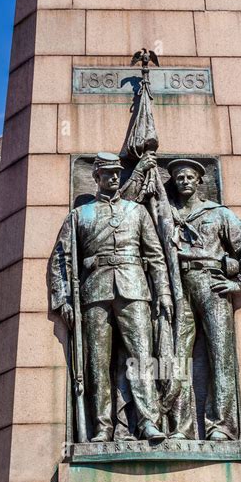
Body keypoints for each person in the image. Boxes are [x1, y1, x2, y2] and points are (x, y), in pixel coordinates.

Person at [50, 152, 173, 442]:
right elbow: (61, 259)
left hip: (134, 288)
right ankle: (103, 427)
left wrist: (164, 293)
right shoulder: (80, 215)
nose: (115, 177)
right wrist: (63, 298)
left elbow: (155, 257)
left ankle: (147, 423)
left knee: (142, 357)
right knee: (97, 363)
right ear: (97, 177)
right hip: (95, 292)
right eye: (108, 173)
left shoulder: (137, 212)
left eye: (117, 172)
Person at [164, 158, 241, 441]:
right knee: (176, 358)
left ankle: (221, 425)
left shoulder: (218, 214)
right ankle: (180, 428)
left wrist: (240, 281)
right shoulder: (166, 214)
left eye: (188, 177)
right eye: (178, 177)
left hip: (212, 285)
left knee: (220, 356)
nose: (184, 181)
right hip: (178, 286)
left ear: (199, 181)